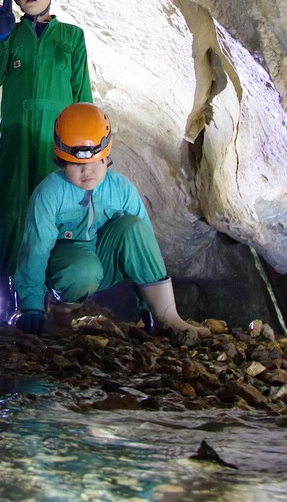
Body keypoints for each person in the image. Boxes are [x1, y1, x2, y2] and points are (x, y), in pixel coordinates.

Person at [15, 103, 207, 339]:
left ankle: (165, 317)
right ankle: (60, 315)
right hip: (69, 268)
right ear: (62, 161)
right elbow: (35, 249)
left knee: (134, 227)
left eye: (95, 162)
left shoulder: (121, 189)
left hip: (106, 262)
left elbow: (145, 247)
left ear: (106, 156)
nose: (87, 172)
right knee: (84, 269)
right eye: (77, 164)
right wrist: (31, 305)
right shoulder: (50, 193)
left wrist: (148, 306)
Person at [0, 0, 90, 316]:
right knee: (9, 210)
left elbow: (82, 97)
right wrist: (0, 36)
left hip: (56, 141)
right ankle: (5, 295)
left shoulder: (72, 37)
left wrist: (86, 149)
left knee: (55, 210)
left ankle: (50, 297)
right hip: (15, 135)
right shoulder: (9, 33)